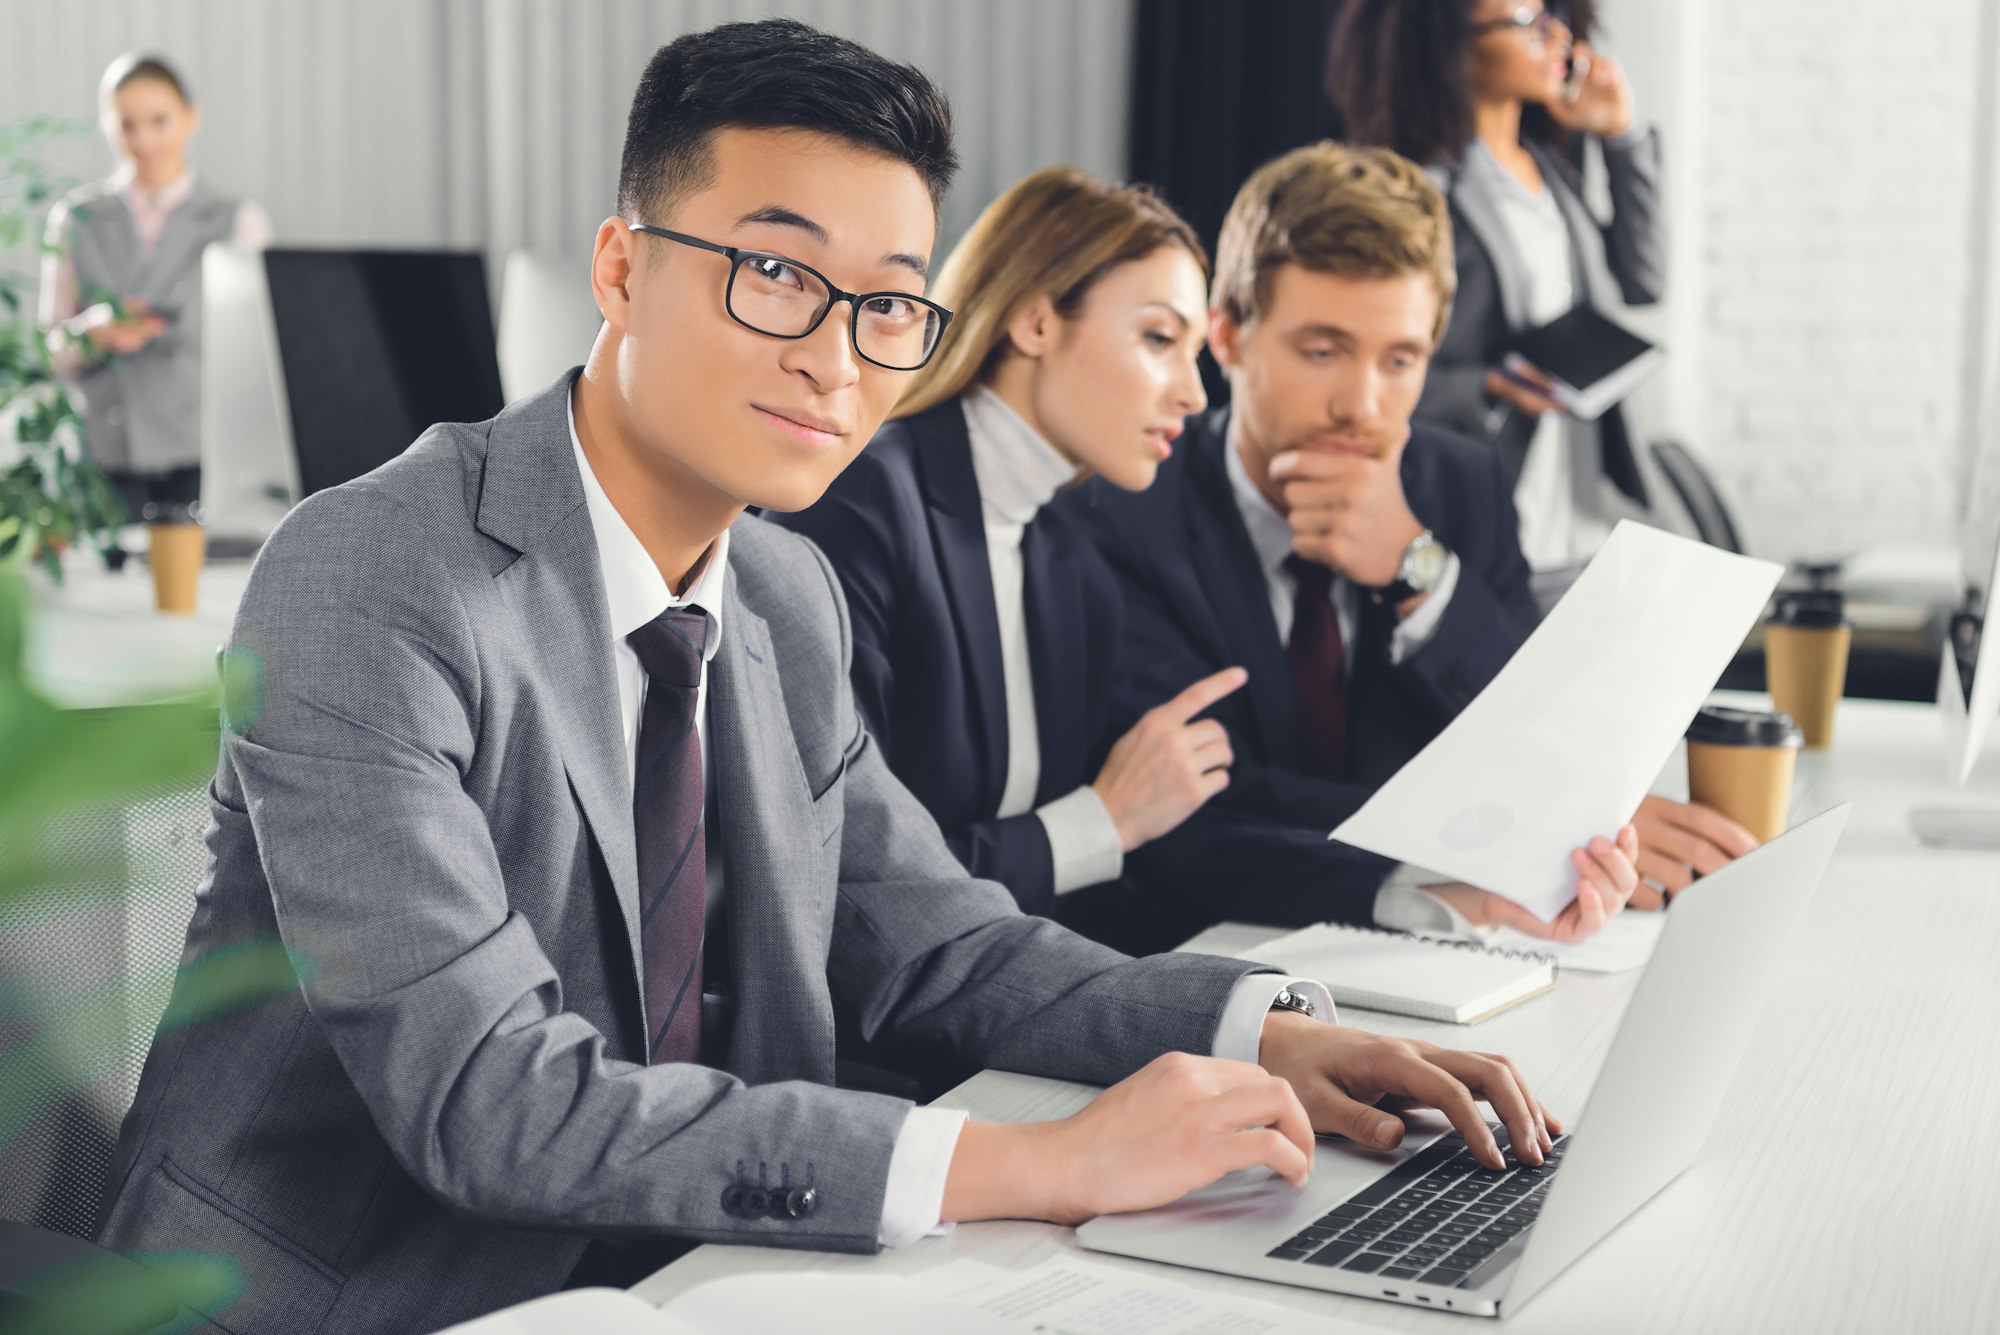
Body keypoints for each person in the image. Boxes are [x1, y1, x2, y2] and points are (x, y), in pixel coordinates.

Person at [93, 24, 1590, 1334]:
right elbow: (487, 1097)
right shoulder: (378, 574)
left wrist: (1259, 1025)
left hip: (693, 1267)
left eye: (884, 304)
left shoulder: (784, 594)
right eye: (771, 275)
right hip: (364, 1292)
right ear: (621, 267)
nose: (838, 360)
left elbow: (941, 942)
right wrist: (1036, 1160)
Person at [1070, 140, 1641, 942]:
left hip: (1444, 952)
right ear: (1227, 338)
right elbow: (1199, 804)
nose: (1363, 406)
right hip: (1205, 950)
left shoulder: (1460, 483)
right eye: (1323, 351)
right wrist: (1466, 845)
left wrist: (1419, 569)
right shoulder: (1126, 507)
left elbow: (1530, 733)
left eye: (1400, 359)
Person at [1327, 3, 1754, 901]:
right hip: (1488, 517)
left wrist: (1623, 135)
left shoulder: (1550, 175)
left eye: (1553, 18)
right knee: (1527, 781)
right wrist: (1481, 384)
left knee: (1595, 791)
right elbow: (1374, 357)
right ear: (1448, 42)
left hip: (1586, 515)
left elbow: (1643, 276)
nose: (1555, 37)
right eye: (1522, 22)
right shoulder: (1409, 185)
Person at [772, 168, 1254, 952]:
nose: (1195, 395)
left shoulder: (1071, 563)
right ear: (1034, 321)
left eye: (1195, 352)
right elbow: (841, 885)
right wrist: (1100, 821)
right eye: (1160, 339)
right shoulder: (858, 505)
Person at [38, 53, 271, 524]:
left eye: (159, 121)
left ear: (190, 118)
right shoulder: (76, 219)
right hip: (103, 464)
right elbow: (50, 350)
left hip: (203, 464)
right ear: (107, 125)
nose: (143, 140)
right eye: (127, 124)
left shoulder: (238, 223)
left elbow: (262, 366)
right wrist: (93, 332)